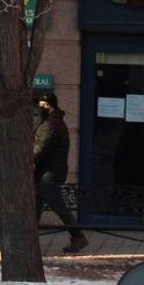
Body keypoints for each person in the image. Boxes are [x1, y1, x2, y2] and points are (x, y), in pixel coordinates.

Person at [34, 92, 88, 253]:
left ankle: (78, 236)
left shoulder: (51, 125)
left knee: (58, 206)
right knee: (36, 205)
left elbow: (40, 149)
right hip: (49, 172)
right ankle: (29, 238)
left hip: (48, 174)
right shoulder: (54, 122)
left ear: (50, 106)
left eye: (43, 105)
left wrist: (27, 158)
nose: (40, 108)